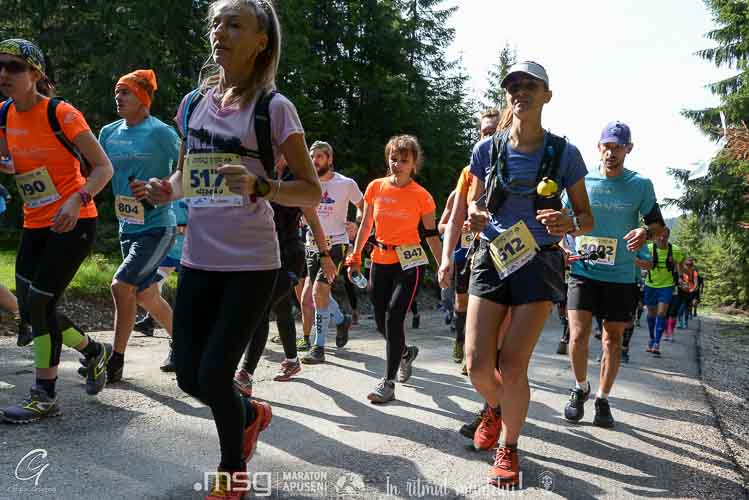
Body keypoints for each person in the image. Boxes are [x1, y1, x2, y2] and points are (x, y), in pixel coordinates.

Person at [143, 2, 321, 498]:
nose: (220, 31)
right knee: (188, 377)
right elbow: (188, 173)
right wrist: (166, 190)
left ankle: (231, 470)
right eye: (216, 23)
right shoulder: (193, 103)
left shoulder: (274, 108)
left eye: (234, 24)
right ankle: (250, 414)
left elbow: (310, 189)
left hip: (251, 264)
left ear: (261, 41)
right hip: (198, 258)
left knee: (216, 373)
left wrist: (263, 186)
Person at [449, 61, 593, 487]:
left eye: (531, 85)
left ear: (547, 95)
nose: (521, 92)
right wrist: (475, 215)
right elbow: (475, 203)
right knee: (477, 363)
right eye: (514, 85)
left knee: (512, 364)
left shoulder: (565, 154)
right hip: (493, 255)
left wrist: (570, 223)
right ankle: (496, 409)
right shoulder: (487, 149)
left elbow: (586, 217)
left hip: (539, 261)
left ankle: (508, 447)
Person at [0, 38, 114, 423]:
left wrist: (76, 200)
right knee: (33, 308)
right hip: (35, 222)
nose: (4, 73)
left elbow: (103, 168)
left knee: (39, 306)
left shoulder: (61, 113)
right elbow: (10, 160)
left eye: (14, 66)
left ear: (35, 74)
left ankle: (44, 395)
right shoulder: (3, 114)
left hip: (74, 222)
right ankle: (94, 351)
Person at [562, 121, 665, 428]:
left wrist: (645, 232)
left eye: (618, 147)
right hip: (583, 269)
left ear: (628, 149)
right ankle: (580, 387)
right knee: (577, 334)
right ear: (599, 147)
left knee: (612, 340)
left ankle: (603, 399)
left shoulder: (640, 184)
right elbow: (562, 219)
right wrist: (562, 246)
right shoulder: (582, 181)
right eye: (607, 146)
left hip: (620, 275)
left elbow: (658, 225)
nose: (611, 152)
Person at [347, 135, 442, 403]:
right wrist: (355, 255)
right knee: (380, 320)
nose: (397, 164)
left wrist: (443, 266)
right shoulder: (375, 187)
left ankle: (387, 382)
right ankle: (405, 353)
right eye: (393, 158)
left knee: (394, 316)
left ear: (414, 164)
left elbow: (431, 234)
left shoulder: (422, 196)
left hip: (409, 262)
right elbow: (366, 225)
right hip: (380, 259)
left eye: (404, 160)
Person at [98, 69, 179, 378]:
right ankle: (183, 344)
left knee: (121, 286)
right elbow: (100, 170)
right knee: (146, 295)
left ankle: (115, 360)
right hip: (127, 226)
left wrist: (160, 186)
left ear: (143, 99)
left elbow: (185, 169)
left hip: (158, 226)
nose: (118, 97)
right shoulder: (108, 133)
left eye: (125, 92)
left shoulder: (161, 133)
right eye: (116, 92)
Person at [234, 156, 332, 395]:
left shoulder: (295, 182)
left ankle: (245, 374)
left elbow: (313, 220)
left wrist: (325, 255)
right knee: (282, 307)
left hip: (288, 256)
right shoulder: (255, 173)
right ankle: (292, 360)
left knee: (261, 308)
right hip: (259, 254)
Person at [300, 141, 362, 364]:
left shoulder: (345, 183)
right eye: (312, 156)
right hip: (312, 244)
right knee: (312, 295)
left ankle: (318, 347)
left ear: (330, 159)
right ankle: (341, 319)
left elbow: (364, 206)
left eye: (319, 156)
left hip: (336, 244)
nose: (314, 161)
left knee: (319, 291)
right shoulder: (307, 183)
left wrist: (356, 224)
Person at [637, 227, 685, 357]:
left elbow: (681, 263)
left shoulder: (675, 250)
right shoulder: (648, 248)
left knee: (661, 313)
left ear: (668, 237)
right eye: (660, 236)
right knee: (651, 313)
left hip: (667, 286)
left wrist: (680, 277)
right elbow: (638, 260)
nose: (662, 238)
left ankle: (657, 343)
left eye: (665, 236)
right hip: (650, 285)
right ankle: (652, 338)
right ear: (656, 236)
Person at [677, 257, 699, 329]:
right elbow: (679, 279)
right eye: (687, 264)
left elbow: (696, 282)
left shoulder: (694, 271)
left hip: (690, 292)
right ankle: (681, 322)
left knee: (687, 307)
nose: (688, 266)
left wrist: (693, 289)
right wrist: (682, 285)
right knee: (681, 307)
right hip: (682, 290)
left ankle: (685, 323)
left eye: (690, 264)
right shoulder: (682, 270)